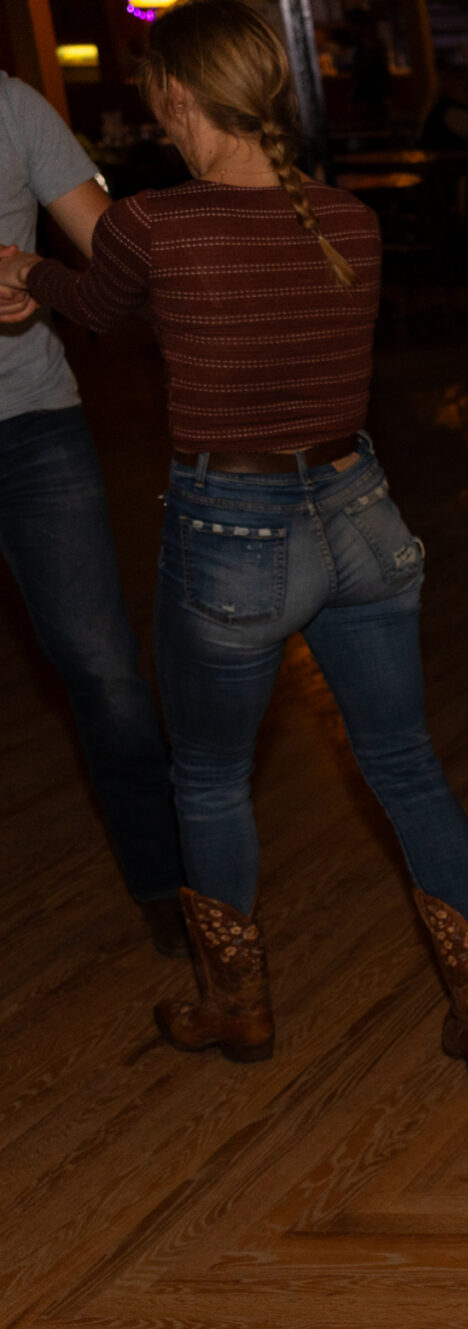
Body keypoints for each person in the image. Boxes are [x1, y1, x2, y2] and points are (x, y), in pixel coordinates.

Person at [0, 0, 468, 1077]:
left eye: (159, 100)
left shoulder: (156, 224)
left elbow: (96, 303)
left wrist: (24, 276)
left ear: (178, 95)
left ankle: (238, 1006)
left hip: (234, 533)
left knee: (207, 777)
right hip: (362, 512)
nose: (159, 118)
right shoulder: (350, 222)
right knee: (406, 763)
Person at [0, 72, 188, 957]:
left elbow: (112, 254)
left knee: (106, 670)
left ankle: (170, 884)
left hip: (32, 424)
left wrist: (41, 279)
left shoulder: (12, 106)